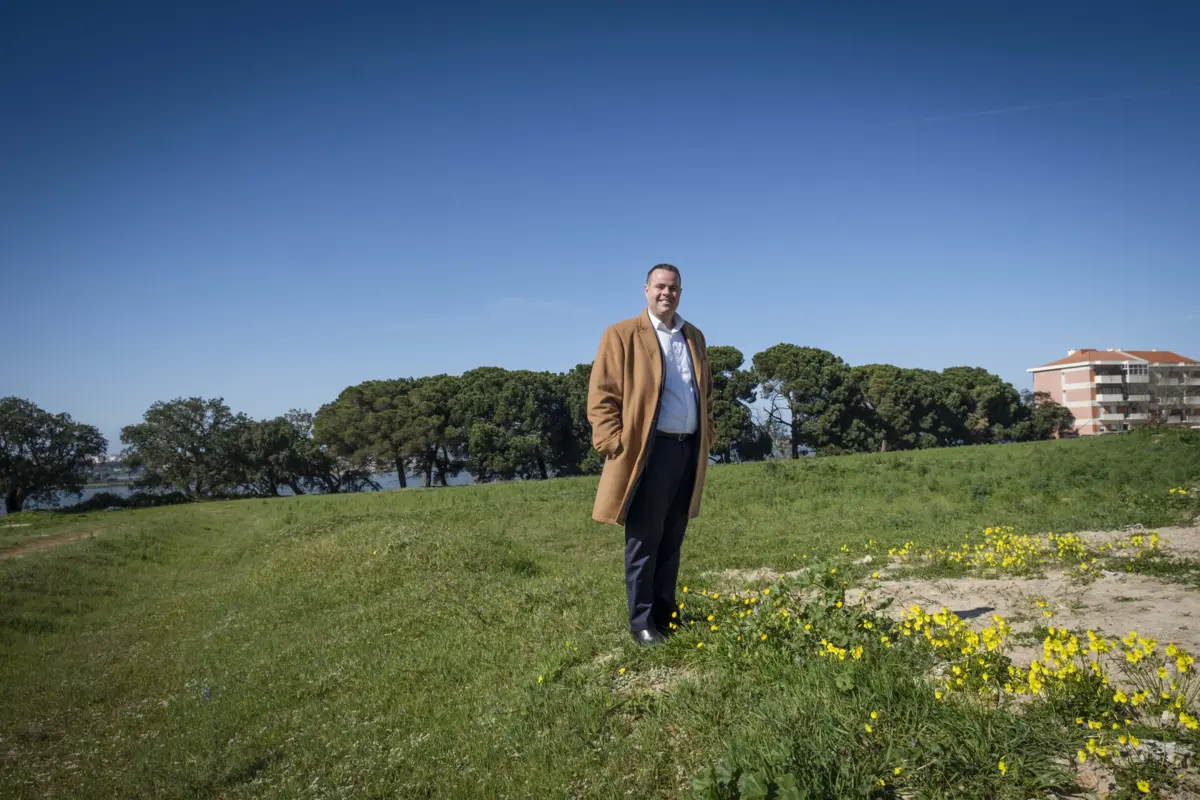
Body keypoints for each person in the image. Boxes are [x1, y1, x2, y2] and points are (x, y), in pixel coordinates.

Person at [587, 264, 715, 645]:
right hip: (646, 452)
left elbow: (705, 392)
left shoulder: (694, 336)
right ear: (645, 290)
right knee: (644, 539)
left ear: (680, 292)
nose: (667, 293)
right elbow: (602, 395)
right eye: (659, 286)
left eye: (673, 287)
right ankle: (641, 622)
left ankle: (665, 613)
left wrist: (709, 431)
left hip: (687, 450)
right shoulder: (621, 335)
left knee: (673, 537)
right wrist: (614, 443)